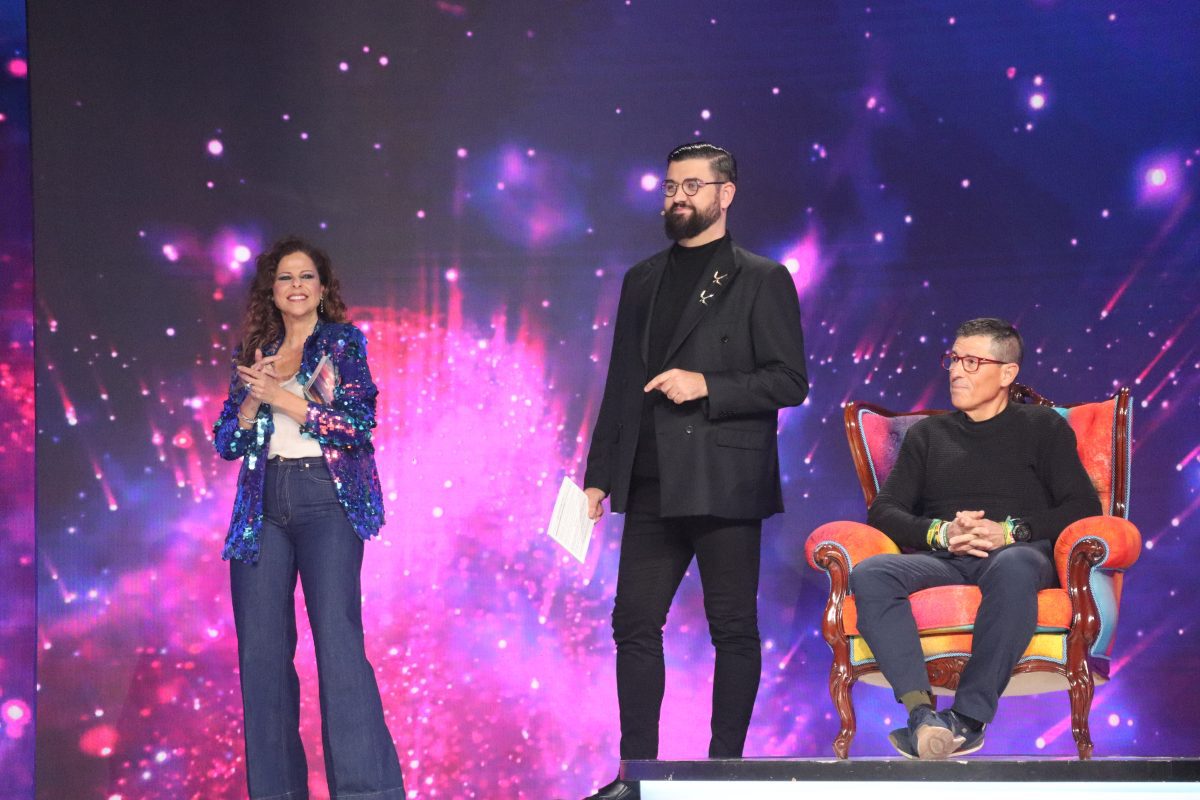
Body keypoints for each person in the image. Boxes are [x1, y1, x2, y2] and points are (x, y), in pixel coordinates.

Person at [581, 143, 809, 800]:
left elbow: (789, 380)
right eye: (670, 187)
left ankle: (723, 774)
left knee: (731, 628)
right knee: (633, 623)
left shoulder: (761, 277)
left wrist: (708, 384)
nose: (677, 197)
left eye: (691, 186)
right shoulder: (642, 278)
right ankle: (636, 775)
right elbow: (620, 382)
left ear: (725, 193)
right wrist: (598, 475)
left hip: (722, 478)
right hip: (650, 478)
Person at [849, 317, 1102, 760]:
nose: (955, 371)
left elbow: (1082, 507)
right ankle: (922, 715)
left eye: (971, 362)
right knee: (872, 573)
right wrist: (941, 532)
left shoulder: (1042, 427)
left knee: (1014, 564)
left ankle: (967, 718)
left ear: (1007, 373)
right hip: (946, 558)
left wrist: (1010, 532)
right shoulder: (928, 436)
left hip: (1017, 555)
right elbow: (884, 511)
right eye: (953, 359)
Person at [212, 237, 405, 799]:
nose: (295, 286)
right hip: (263, 506)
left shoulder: (341, 344)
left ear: (322, 290)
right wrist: (253, 398)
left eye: (305, 277)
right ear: (271, 292)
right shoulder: (257, 351)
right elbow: (226, 442)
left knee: (338, 645)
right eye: (285, 278)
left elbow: (356, 424)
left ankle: (367, 791)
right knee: (262, 655)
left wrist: (283, 397)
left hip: (326, 498)